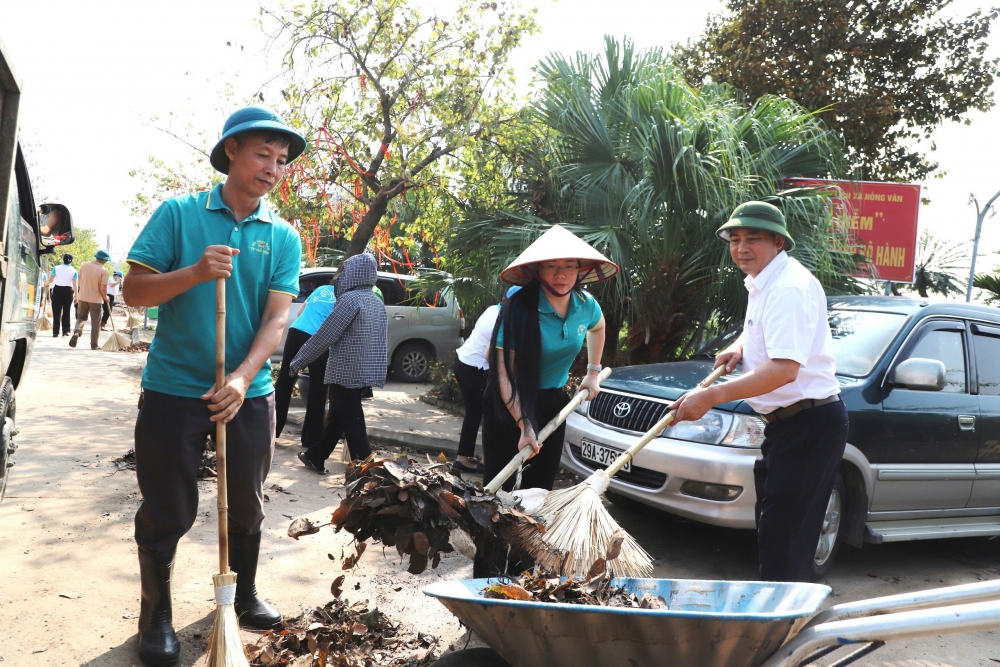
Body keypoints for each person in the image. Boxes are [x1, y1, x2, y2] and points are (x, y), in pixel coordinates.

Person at [122, 105, 305, 665]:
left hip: (247, 394)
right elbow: (134, 292)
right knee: (169, 507)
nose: (273, 168)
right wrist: (196, 273)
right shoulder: (178, 214)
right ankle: (156, 613)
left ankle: (242, 594)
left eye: (281, 160)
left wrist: (245, 377)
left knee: (246, 505)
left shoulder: (282, 235)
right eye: (262, 154)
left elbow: (277, 319)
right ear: (231, 151)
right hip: (175, 389)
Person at [669, 201, 848, 583]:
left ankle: (785, 630)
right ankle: (778, 619)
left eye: (753, 239)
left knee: (786, 543)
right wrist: (740, 346)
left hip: (808, 423)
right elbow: (765, 334)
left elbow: (785, 369)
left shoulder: (787, 287)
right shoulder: (764, 281)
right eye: (734, 240)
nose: (741, 248)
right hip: (788, 426)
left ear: (779, 242)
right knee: (776, 533)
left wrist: (712, 396)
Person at [290, 253, 387, 473]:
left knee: (352, 419)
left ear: (354, 273)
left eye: (345, 270)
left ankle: (367, 469)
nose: (342, 274)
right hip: (364, 371)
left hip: (345, 370)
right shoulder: (375, 302)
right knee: (339, 417)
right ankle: (315, 456)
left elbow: (326, 335)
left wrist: (298, 360)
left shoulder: (350, 300)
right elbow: (380, 342)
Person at [450, 285, 521, 473]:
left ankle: (462, 458)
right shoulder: (502, 321)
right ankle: (486, 461)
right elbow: (493, 356)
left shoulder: (492, 309)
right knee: (493, 414)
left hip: (462, 362)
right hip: (477, 369)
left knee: (473, 413)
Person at [274, 281, 335, 447]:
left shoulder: (321, 289)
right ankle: (310, 439)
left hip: (296, 332)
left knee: (285, 381)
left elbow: (300, 312)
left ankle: (272, 431)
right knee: (318, 388)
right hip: (317, 340)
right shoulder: (344, 298)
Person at [69, 250, 110, 349]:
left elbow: (80, 280)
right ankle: (94, 344)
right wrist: (106, 297)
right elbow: (103, 288)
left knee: (81, 317)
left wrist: (78, 294)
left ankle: (77, 333)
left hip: (82, 297)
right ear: (105, 260)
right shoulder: (104, 270)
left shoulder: (84, 265)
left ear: (96, 257)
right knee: (96, 323)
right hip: (96, 300)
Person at [46, 253, 76, 337]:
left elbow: (51, 279)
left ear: (63, 259)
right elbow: (74, 285)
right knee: (67, 311)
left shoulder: (56, 268)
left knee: (56, 311)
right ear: (71, 260)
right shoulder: (74, 270)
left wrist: (47, 283)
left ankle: (55, 332)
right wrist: (76, 296)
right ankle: (65, 330)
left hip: (57, 290)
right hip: (68, 291)